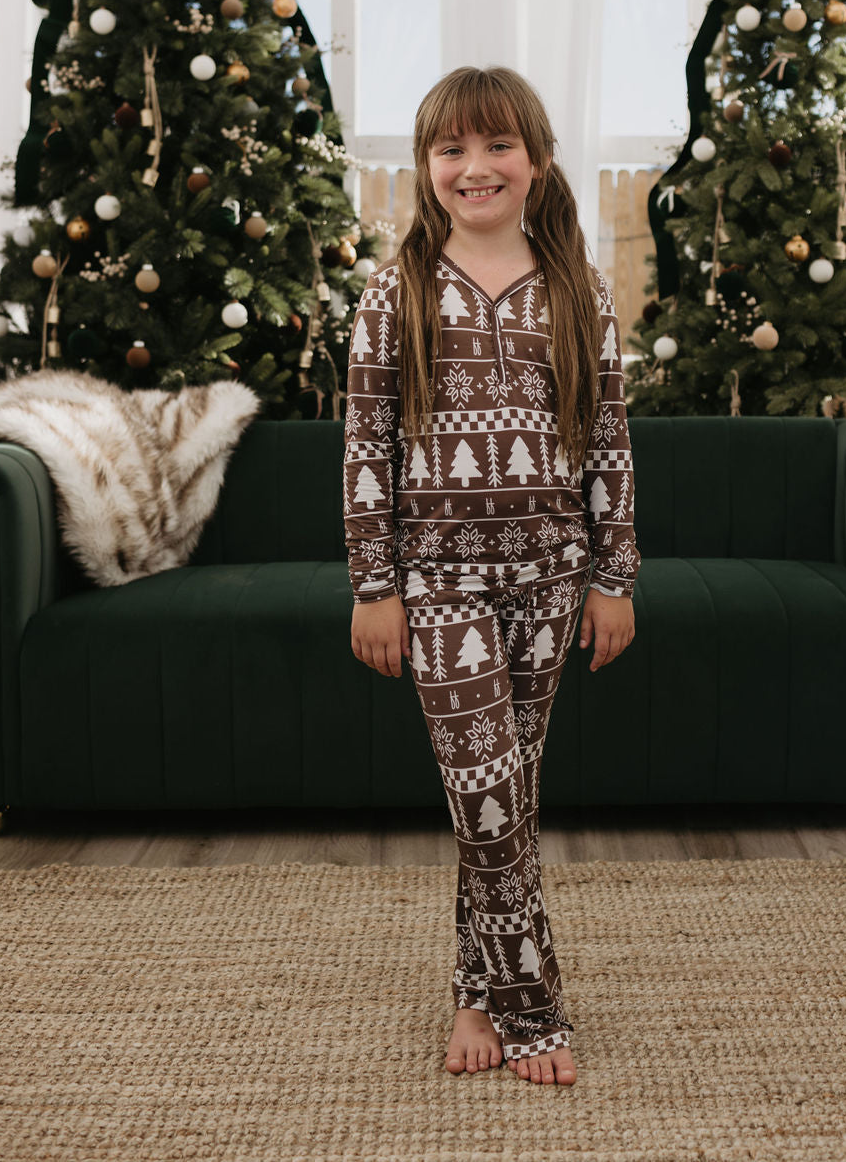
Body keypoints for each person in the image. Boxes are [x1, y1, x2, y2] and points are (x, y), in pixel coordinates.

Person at [343, 65, 640, 1087]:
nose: (475, 167)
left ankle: (474, 990)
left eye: (497, 146)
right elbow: (364, 444)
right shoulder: (395, 292)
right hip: (437, 587)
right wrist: (373, 584)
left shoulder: (576, 289)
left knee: (509, 792)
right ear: (427, 170)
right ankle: (533, 1005)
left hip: (553, 580)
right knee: (483, 794)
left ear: (537, 161)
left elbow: (606, 439)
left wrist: (616, 574)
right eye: (451, 150)